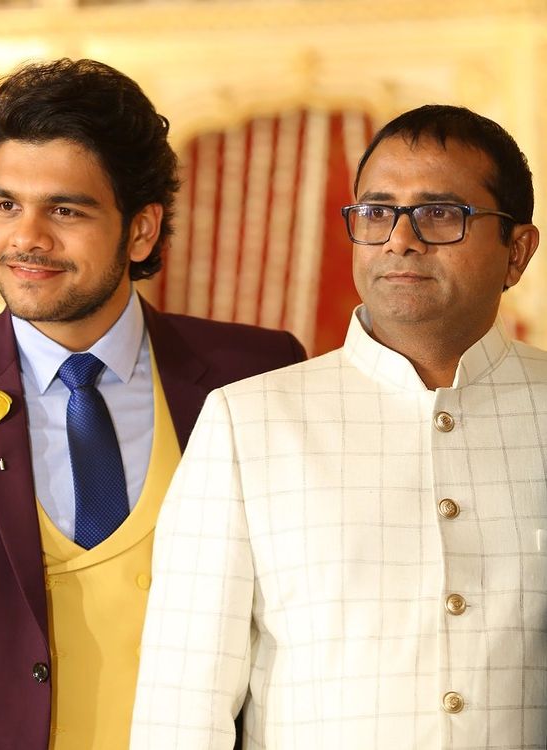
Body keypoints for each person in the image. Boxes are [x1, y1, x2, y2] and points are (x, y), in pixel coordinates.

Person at [0, 58, 306, 750]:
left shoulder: (256, 374)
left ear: (141, 230)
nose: (26, 238)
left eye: (65, 210)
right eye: (5, 204)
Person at [130, 104, 546, 750]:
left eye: (440, 213)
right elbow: (181, 706)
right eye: (377, 213)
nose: (400, 240)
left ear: (516, 251)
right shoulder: (251, 423)